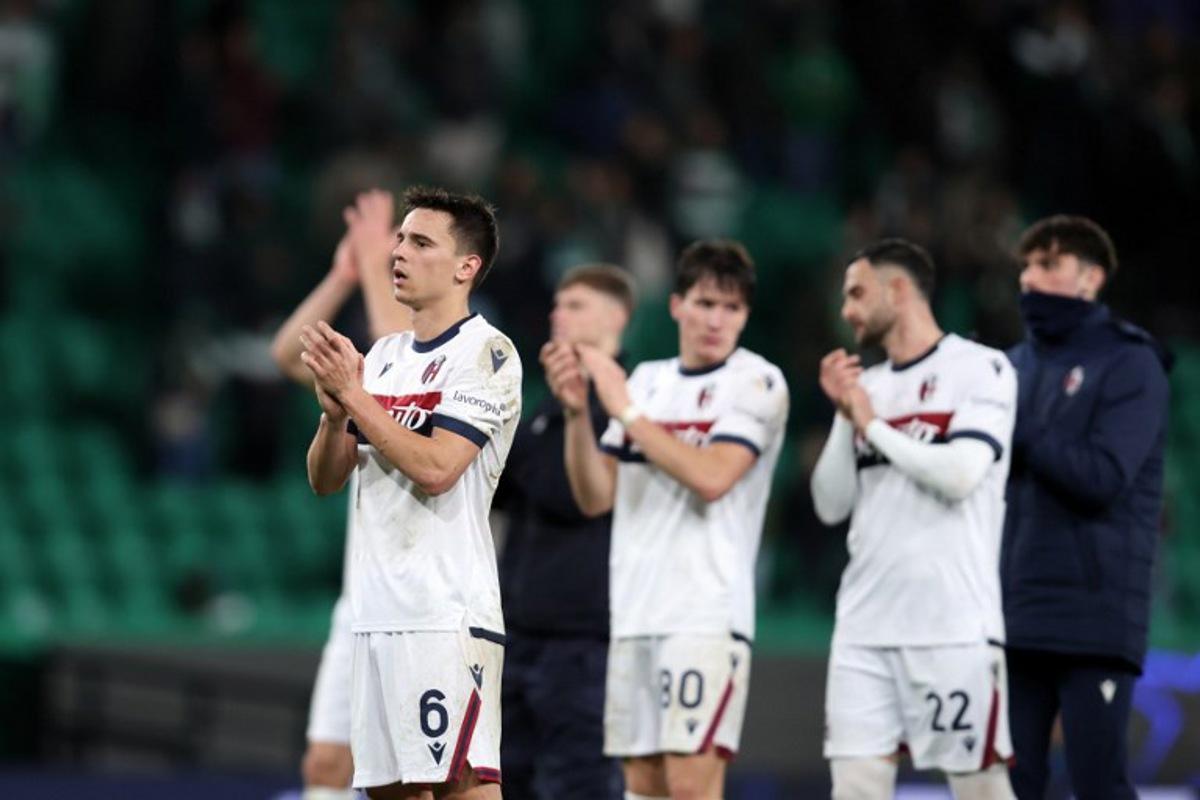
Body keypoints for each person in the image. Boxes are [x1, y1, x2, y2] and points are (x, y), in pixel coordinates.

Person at [542, 240, 789, 800]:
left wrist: (624, 409)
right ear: (677, 305)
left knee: (690, 784)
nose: (716, 320)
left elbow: (712, 477)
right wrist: (580, 413)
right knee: (644, 785)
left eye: (732, 308)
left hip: (703, 615)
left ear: (746, 316)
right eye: (705, 303)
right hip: (635, 613)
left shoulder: (757, 382)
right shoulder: (650, 380)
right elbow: (595, 496)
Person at [301, 186, 521, 800]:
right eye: (398, 238)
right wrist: (331, 414)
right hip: (375, 615)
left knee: (461, 788)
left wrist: (359, 399)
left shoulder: (488, 353)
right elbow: (325, 479)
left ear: (465, 267)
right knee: (390, 793)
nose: (398, 251)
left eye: (420, 242)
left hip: (443, 614)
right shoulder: (386, 356)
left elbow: (438, 466)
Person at [810, 238, 1018, 799]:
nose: (847, 310)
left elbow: (960, 474)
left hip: (951, 627)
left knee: (981, 789)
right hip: (863, 627)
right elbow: (830, 505)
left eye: (856, 293)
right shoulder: (869, 387)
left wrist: (874, 427)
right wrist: (845, 415)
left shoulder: (981, 368)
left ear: (897, 290)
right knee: (854, 791)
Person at [1001, 216, 1171, 799]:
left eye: (1048, 265)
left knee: (1098, 783)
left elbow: (1103, 477)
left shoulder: (1130, 363)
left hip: (1092, 617)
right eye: (1026, 265)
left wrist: (1018, 433)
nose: (1029, 278)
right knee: (1010, 785)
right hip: (1014, 610)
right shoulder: (1011, 366)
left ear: (1091, 278)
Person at [270, 189, 411, 800]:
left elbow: (399, 352)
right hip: (359, 601)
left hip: (419, 607)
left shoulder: (460, 356)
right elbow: (285, 353)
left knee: (408, 781)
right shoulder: (372, 372)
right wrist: (344, 274)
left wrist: (377, 260)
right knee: (326, 767)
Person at [495, 264, 635, 800]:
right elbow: (501, 494)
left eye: (575, 305)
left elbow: (584, 500)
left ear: (616, 316)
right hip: (519, 633)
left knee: (581, 785)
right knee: (512, 783)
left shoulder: (629, 397)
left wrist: (579, 411)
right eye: (557, 305)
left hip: (585, 637)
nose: (559, 314)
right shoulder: (545, 404)